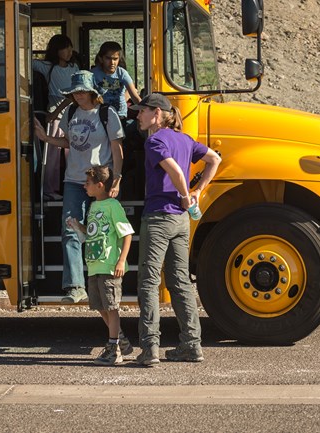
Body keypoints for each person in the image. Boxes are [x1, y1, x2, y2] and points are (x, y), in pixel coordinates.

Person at [129, 93, 221, 366]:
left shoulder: (155, 141)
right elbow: (214, 159)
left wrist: (184, 193)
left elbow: (176, 173)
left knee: (148, 282)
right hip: (181, 220)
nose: (137, 116)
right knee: (179, 281)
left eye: (141, 112)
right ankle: (191, 346)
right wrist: (197, 193)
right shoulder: (184, 139)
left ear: (156, 113)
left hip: (158, 217)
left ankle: (149, 349)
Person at [34, 71, 124, 304]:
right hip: (74, 179)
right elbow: (68, 142)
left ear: (93, 92)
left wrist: (117, 179)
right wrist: (46, 139)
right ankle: (75, 286)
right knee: (71, 229)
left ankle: (105, 282)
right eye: (74, 92)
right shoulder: (71, 112)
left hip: (100, 180)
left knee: (102, 230)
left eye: (82, 91)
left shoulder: (107, 113)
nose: (78, 95)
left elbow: (117, 149)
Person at [67, 165, 135, 365]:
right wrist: (78, 227)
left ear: (99, 185)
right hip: (95, 266)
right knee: (100, 306)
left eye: (88, 183)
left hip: (109, 266)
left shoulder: (113, 206)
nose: (84, 186)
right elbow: (92, 233)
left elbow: (127, 234)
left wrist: (121, 260)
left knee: (111, 307)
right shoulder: (94, 206)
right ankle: (120, 340)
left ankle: (113, 348)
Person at [33, 35, 80, 198]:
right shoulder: (48, 67)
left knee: (71, 154)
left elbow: (72, 95)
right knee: (51, 157)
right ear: (56, 50)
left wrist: (53, 112)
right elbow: (22, 60)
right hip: (57, 117)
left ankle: (73, 186)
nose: (69, 51)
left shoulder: (74, 67)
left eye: (70, 48)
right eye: (65, 48)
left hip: (65, 115)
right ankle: (49, 190)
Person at [91, 41, 142, 124]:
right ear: (101, 58)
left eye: (115, 59)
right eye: (108, 58)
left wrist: (146, 110)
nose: (112, 63)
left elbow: (135, 97)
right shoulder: (93, 74)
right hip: (100, 115)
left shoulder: (122, 73)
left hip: (120, 115)